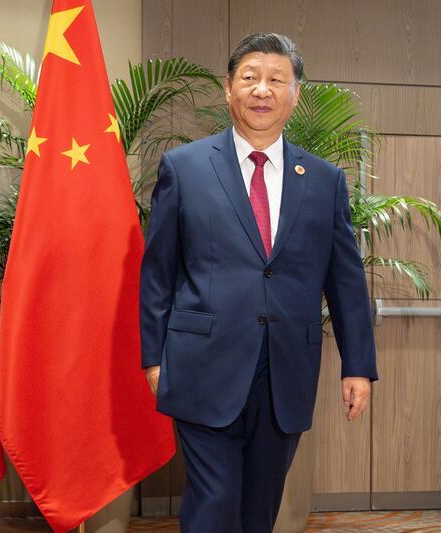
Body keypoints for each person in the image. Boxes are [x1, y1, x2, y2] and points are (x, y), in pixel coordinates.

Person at [139, 33, 377, 532]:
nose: (261, 90)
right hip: (202, 366)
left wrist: (357, 365)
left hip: (286, 370)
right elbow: (158, 271)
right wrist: (155, 358)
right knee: (213, 502)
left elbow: (346, 281)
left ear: (294, 93)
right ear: (229, 89)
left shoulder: (324, 179)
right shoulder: (184, 168)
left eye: (276, 80)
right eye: (249, 78)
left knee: (259, 509)